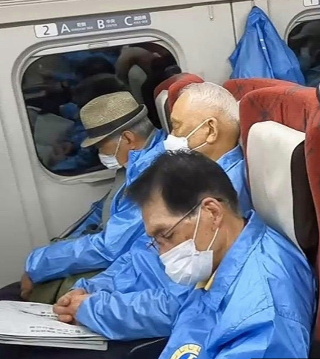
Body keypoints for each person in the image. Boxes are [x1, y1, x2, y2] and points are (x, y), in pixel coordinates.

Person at [54, 82, 251, 341]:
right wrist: (95, 287)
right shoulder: (184, 177)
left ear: (210, 130)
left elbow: (184, 301)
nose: (170, 138)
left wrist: (94, 307)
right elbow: (142, 254)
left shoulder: (225, 196)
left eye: (177, 127)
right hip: (131, 299)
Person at [129, 151, 315, 358]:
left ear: (212, 213)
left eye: (166, 235)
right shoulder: (218, 259)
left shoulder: (262, 310)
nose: (163, 254)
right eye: (157, 242)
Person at [3, 92, 167, 304]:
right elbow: (102, 210)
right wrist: (61, 247)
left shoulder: (156, 173)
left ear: (128, 138)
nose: (101, 154)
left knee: (16, 296)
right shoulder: (134, 163)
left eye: (101, 146)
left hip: (133, 268)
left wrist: (39, 264)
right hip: (119, 258)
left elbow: (111, 247)